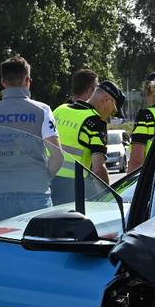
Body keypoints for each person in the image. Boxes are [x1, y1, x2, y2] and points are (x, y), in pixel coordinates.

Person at [0, 55, 63, 222]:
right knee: (38, 245)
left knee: (4, 247)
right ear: (28, 81)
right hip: (37, 194)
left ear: (3, 82)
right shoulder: (43, 110)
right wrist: (43, 177)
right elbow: (58, 156)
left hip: (2, 196)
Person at [51, 68, 125, 205]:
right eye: (114, 111)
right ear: (107, 100)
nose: (111, 116)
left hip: (48, 183)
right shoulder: (96, 122)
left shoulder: (59, 110)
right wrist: (109, 197)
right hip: (72, 190)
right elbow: (98, 168)